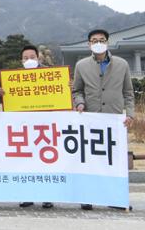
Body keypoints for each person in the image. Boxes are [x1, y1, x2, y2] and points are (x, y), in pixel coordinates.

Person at [72, 29, 135, 211]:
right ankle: (88, 197)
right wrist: (80, 103)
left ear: (107, 42)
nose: (98, 42)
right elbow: (77, 90)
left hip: (114, 119)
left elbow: (128, 93)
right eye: (94, 40)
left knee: (114, 160)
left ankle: (115, 198)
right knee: (89, 158)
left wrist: (129, 113)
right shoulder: (81, 65)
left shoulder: (122, 64)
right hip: (91, 118)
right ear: (89, 44)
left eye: (101, 40)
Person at [15, 45, 54, 209]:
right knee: (26, 161)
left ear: (39, 58)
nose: (29, 60)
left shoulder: (50, 75)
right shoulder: (15, 77)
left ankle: (48, 196)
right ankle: (27, 195)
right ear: (21, 60)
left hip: (45, 125)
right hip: (25, 126)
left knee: (47, 160)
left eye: (32, 57)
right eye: (25, 58)